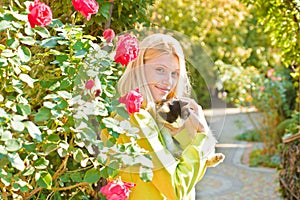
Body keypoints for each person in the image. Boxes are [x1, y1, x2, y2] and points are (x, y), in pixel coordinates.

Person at [105, 33, 215, 199]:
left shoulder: (155, 116)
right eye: (160, 70)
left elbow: (191, 176)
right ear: (139, 68)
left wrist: (191, 134)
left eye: (174, 73)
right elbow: (176, 187)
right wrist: (202, 133)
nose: (168, 82)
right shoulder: (136, 119)